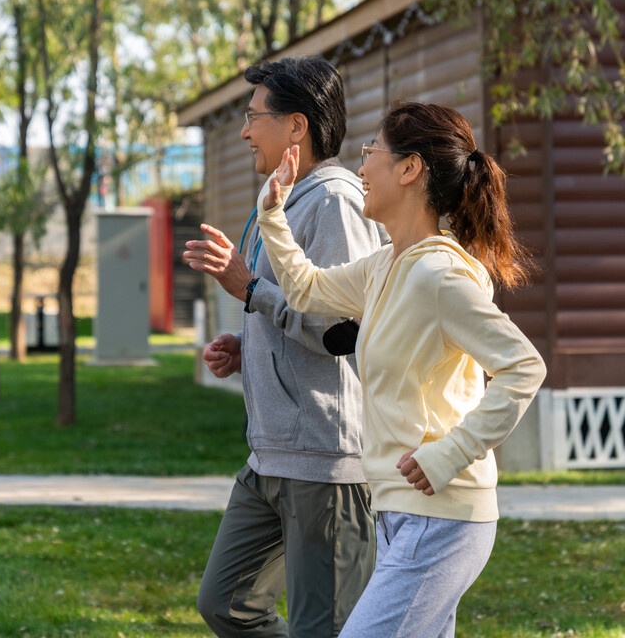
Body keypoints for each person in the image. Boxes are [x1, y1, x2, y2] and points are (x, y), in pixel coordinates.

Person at [256, 101, 546, 637]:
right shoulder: (388, 264)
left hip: (443, 516)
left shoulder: (438, 276)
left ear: (410, 169)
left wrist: (451, 452)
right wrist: (273, 216)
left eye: (372, 153)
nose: (361, 167)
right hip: (399, 513)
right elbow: (306, 289)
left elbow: (523, 367)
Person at [183, 56, 385, 637]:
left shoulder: (334, 202)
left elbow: (342, 329)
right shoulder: (281, 199)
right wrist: (249, 344)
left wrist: (249, 289)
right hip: (269, 457)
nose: (245, 131)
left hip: (326, 462)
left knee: (324, 630)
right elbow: (293, 310)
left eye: (254, 117)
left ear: (296, 126)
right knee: (227, 602)